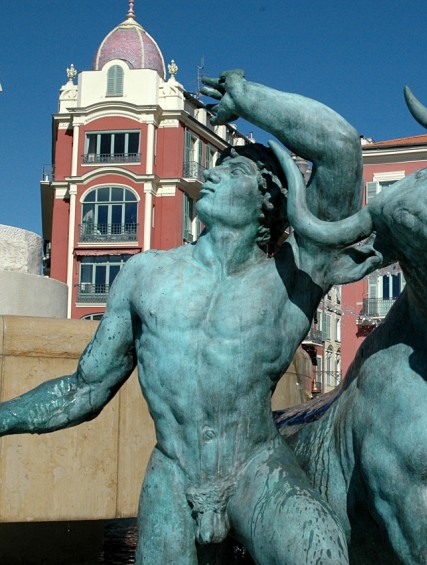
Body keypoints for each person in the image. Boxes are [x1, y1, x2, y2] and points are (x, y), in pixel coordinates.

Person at [0, 71, 379, 564]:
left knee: (320, 552)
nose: (215, 173)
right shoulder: (144, 275)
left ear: (270, 202)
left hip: (256, 467)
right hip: (175, 472)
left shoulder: (293, 277)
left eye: (235, 169)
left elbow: (341, 148)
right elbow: (84, 390)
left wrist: (249, 99)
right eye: (218, 166)